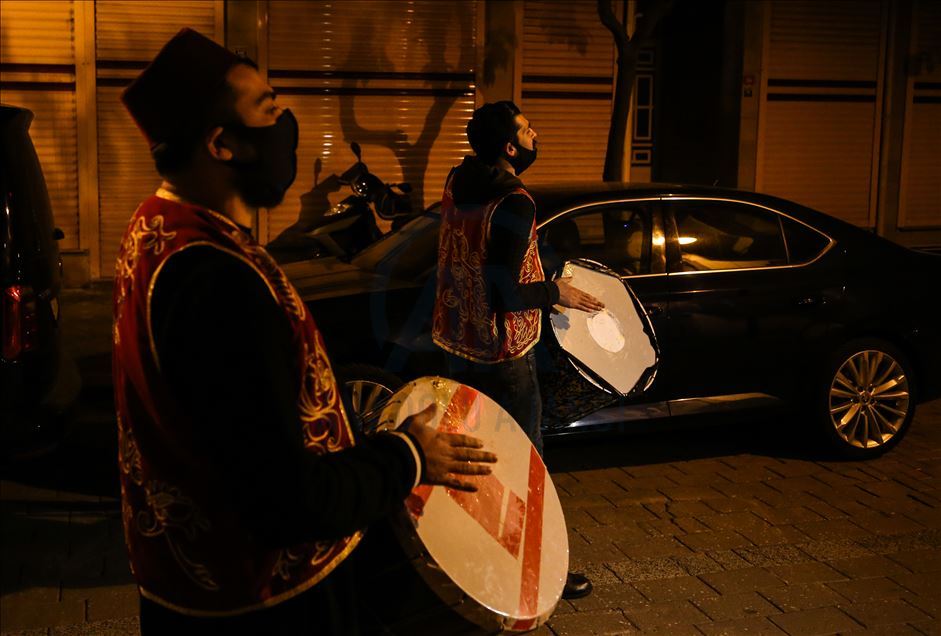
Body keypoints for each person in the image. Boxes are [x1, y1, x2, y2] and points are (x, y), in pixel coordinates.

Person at [113, 28, 496, 635]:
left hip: (191, 585)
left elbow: (240, 423)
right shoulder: (218, 282)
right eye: (266, 107)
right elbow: (285, 501)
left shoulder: (158, 228)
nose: (285, 121)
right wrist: (409, 455)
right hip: (262, 602)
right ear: (222, 144)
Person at [433, 101, 605, 600]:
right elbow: (506, 291)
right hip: (504, 354)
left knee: (474, 458)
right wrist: (557, 292)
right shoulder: (515, 202)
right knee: (526, 465)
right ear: (510, 147)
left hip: (456, 341)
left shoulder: (456, 180)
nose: (536, 135)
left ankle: (472, 557)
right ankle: (540, 568)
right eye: (529, 130)